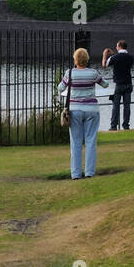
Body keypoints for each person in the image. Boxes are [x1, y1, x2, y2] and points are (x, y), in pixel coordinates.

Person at [57, 47, 109, 180]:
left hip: (75, 110)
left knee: (76, 142)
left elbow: (60, 88)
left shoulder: (70, 73)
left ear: (75, 60)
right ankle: (90, 172)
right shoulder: (93, 73)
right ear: (87, 59)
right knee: (91, 141)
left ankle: (75, 174)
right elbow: (105, 85)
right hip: (91, 110)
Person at [101, 40, 134, 131]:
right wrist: (113, 54)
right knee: (127, 106)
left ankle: (113, 126)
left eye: (117, 46)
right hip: (128, 83)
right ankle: (126, 125)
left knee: (116, 106)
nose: (116, 48)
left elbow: (105, 65)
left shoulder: (115, 58)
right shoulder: (130, 57)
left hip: (119, 85)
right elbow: (122, 59)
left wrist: (105, 54)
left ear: (119, 46)